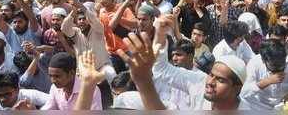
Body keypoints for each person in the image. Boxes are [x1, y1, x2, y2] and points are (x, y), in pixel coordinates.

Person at [116, 15, 249, 110]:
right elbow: (162, 70)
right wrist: (160, 36)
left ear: (237, 88)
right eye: (211, 75)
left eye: (221, 80)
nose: (210, 82)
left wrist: (143, 82)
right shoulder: (199, 82)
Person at [241, 40, 288, 110]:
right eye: (274, 65)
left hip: (282, 104)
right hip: (259, 105)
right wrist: (267, 82)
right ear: (263, 60)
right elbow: (244, 93)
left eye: (282, 64)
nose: (279, 68)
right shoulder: (255, 63)